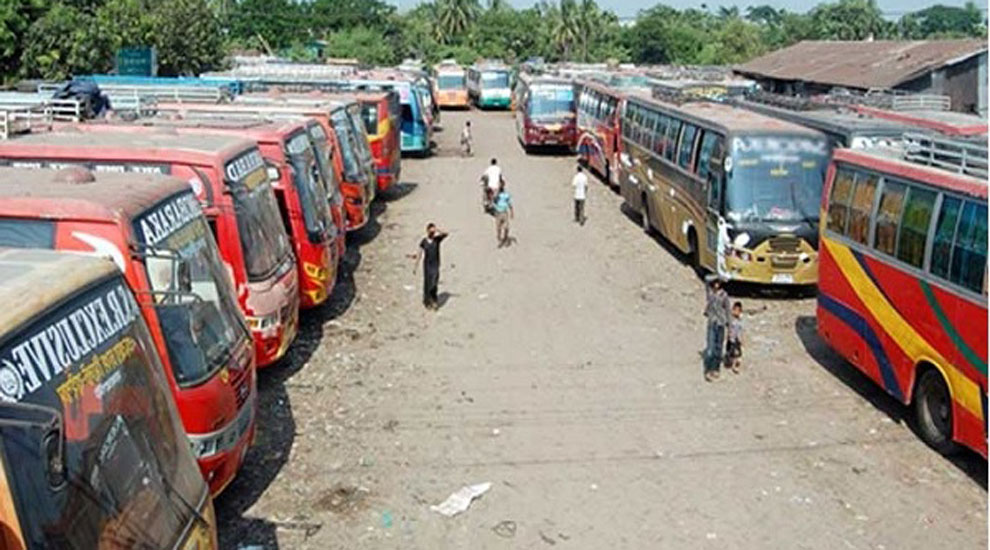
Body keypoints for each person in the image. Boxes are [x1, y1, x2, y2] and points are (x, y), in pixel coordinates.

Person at [411, 223, 449, 310]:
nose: (432, 232)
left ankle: (434, 300)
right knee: (428, 283)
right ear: (427, 231)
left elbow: (446, 234)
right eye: (430, 230)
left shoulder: (437, 240)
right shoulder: (423, 242)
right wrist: (415, 267)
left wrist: (437, 230)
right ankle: (427, 301)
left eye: (433, 230)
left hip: (436, 264)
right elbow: (419, 254)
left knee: (434, 282)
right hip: (427, 266)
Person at [702, 276, 731, 382]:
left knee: (718, 349)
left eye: (718, 283)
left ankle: (715, 369)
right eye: (715, 283)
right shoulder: (710, 294)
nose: (716, 285)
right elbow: (706, 279)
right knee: (710, 349)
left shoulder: (724, 296)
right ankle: (708, 370)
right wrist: (718, 275)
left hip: (721, 324)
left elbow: (728, 312)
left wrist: (730, 328)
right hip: (712, 323)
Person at [492, 181, 514, 247]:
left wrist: (512, 212)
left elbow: (509, 203)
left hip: (504, 212)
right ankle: (499, 239)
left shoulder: (506, 195)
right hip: (498, 213)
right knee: (498, 227)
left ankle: (505, 238)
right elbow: (494, 200)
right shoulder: (496, 194)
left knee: (506, 227)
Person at [725, 301, 744, 374]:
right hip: (731, 339)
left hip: (737, 339)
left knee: (738, 353)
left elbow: (741, 330)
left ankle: (735, 366)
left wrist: (741, 339)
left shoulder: (740, 321)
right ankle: (729, 359)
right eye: (734, 310)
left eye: (738, 311)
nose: (736, 312)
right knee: (730, 352)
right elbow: (728, 328)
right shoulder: (731, 320)